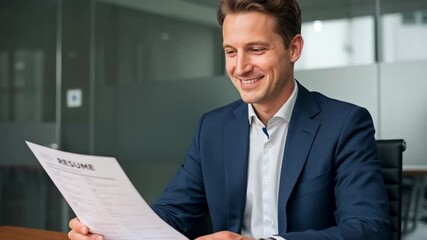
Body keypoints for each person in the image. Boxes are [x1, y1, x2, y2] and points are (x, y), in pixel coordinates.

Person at [68, 0, 391, 239]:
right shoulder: (213, 127)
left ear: (293, 49)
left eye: (256, 49)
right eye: (231, 51)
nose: (240, 67)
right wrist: (111, 228)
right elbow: (173, 212)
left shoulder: (345, 123)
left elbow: (367, 229)